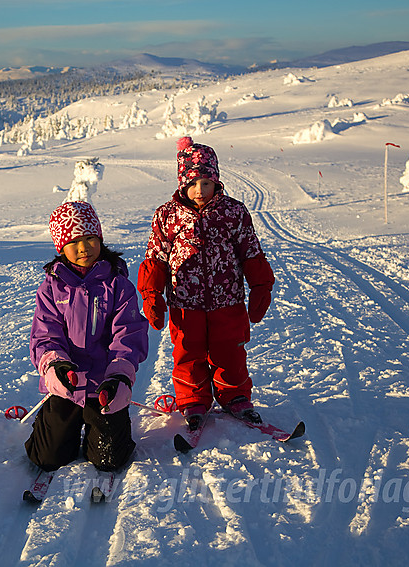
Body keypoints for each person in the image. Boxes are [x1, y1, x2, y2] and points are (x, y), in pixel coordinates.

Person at [137, 137, 275, 430]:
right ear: (182, 183)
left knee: (231, 352)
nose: (200, 190)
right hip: (185, 303)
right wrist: (151, 293)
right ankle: (193, 400)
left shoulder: (233, 212)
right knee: (188, 352)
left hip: (228, 300)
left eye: (207, 183)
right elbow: (156, 257)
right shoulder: (167, 215)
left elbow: (250, 251)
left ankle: (235, 396)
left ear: (217, 181)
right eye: (193, 183)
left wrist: (261, 286)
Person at [25, 201, 149, 472]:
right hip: (66, 386)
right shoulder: (50, 288)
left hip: (105, 387)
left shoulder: (118, 285)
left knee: (109, 460)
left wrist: (119, 376)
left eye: (90, 238)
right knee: (47, 457)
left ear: (100, 238)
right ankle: (50, 425)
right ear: (60, 248)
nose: (83, 248)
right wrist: (55, 366)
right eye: (74, 241)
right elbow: (45, 334)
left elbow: (128, 333)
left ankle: (111, 429)